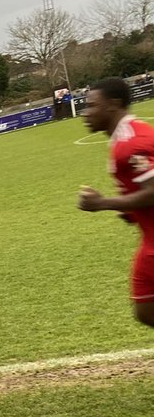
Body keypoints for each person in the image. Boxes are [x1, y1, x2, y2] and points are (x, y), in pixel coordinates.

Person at [77, 77, 154, 327]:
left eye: (91, 106)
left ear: (113, 105)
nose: (85, 113)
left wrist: (104, 203)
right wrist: (130, 210)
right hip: (149, 238)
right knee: (145, 310)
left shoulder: (132, 142)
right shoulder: (121, 139)